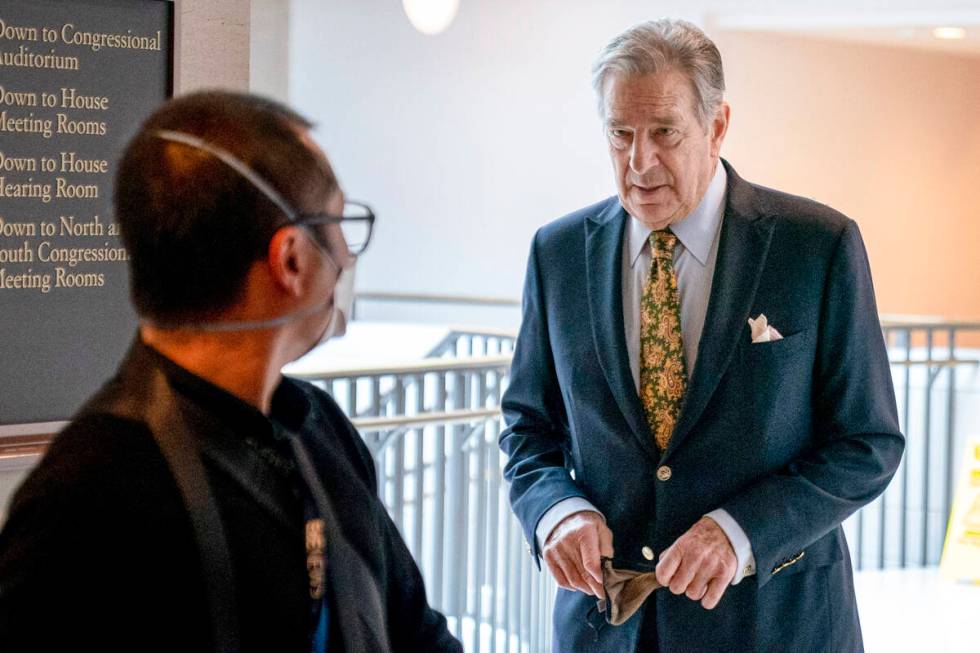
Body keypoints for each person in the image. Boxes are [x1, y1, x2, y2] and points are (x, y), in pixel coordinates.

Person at [0, 91, 462, 653]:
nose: (348, 253)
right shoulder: (85, 495)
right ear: (290, 258)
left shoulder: (321, 431)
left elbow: (415, 631)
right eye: (339, 222)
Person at [499, 19, 904, 652]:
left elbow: (868, 443)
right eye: (620, 134)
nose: (640, 162)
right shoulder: (556, 254)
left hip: (776, 626)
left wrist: (739, 532)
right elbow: (528, 430)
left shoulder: (817, 246)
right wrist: (556, 511)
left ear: (717, 126)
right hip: (605, 630)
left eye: (664, 133)